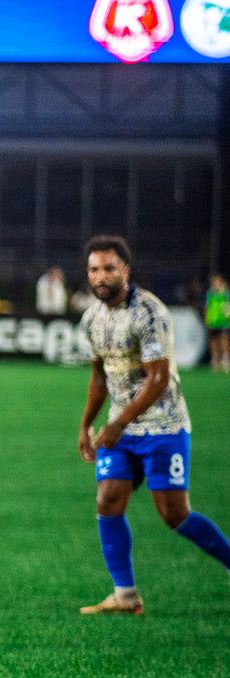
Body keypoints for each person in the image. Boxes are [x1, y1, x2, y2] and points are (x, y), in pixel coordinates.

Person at [77, 235, 230, 615]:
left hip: (163, 426)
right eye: (94, 269)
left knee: (174, 514)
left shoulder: (149, 313)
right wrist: (87, 425)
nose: (101, 276)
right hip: (120, 429)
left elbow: (157, 379)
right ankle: (125, 595)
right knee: (108, 500)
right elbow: (99, 377)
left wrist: (118, 423)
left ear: (125, 271)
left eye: (109, 268)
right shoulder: (92, 318)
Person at [204, 272, 228, 372]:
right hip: (212, 321)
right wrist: (207, 317)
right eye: (213, 282)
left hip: (223, 321)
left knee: (223, 340)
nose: (215, 284)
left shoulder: (225, 293)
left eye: (217, 282)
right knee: (213, 341)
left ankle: (225, 359)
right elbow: (207, 306)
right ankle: (215, 359)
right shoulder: (210, 293)